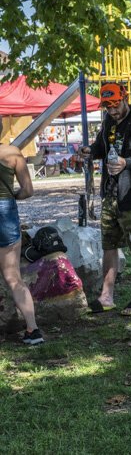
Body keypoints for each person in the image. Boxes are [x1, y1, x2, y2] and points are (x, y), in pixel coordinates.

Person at [79, 83, 131, 316]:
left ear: (124, 98)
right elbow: (102, 146)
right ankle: (106, 297)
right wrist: (91, 151)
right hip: (110, 195)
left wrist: (127, 163)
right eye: (107, 107)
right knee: (109, 245)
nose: (112, 111)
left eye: (115, 105)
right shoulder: (108, 121)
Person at [0, 135, 43, 345]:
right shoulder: (12, 153)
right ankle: (33, 330)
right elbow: (28, 190)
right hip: (5, 211)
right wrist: (12, 196)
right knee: (13, 276)